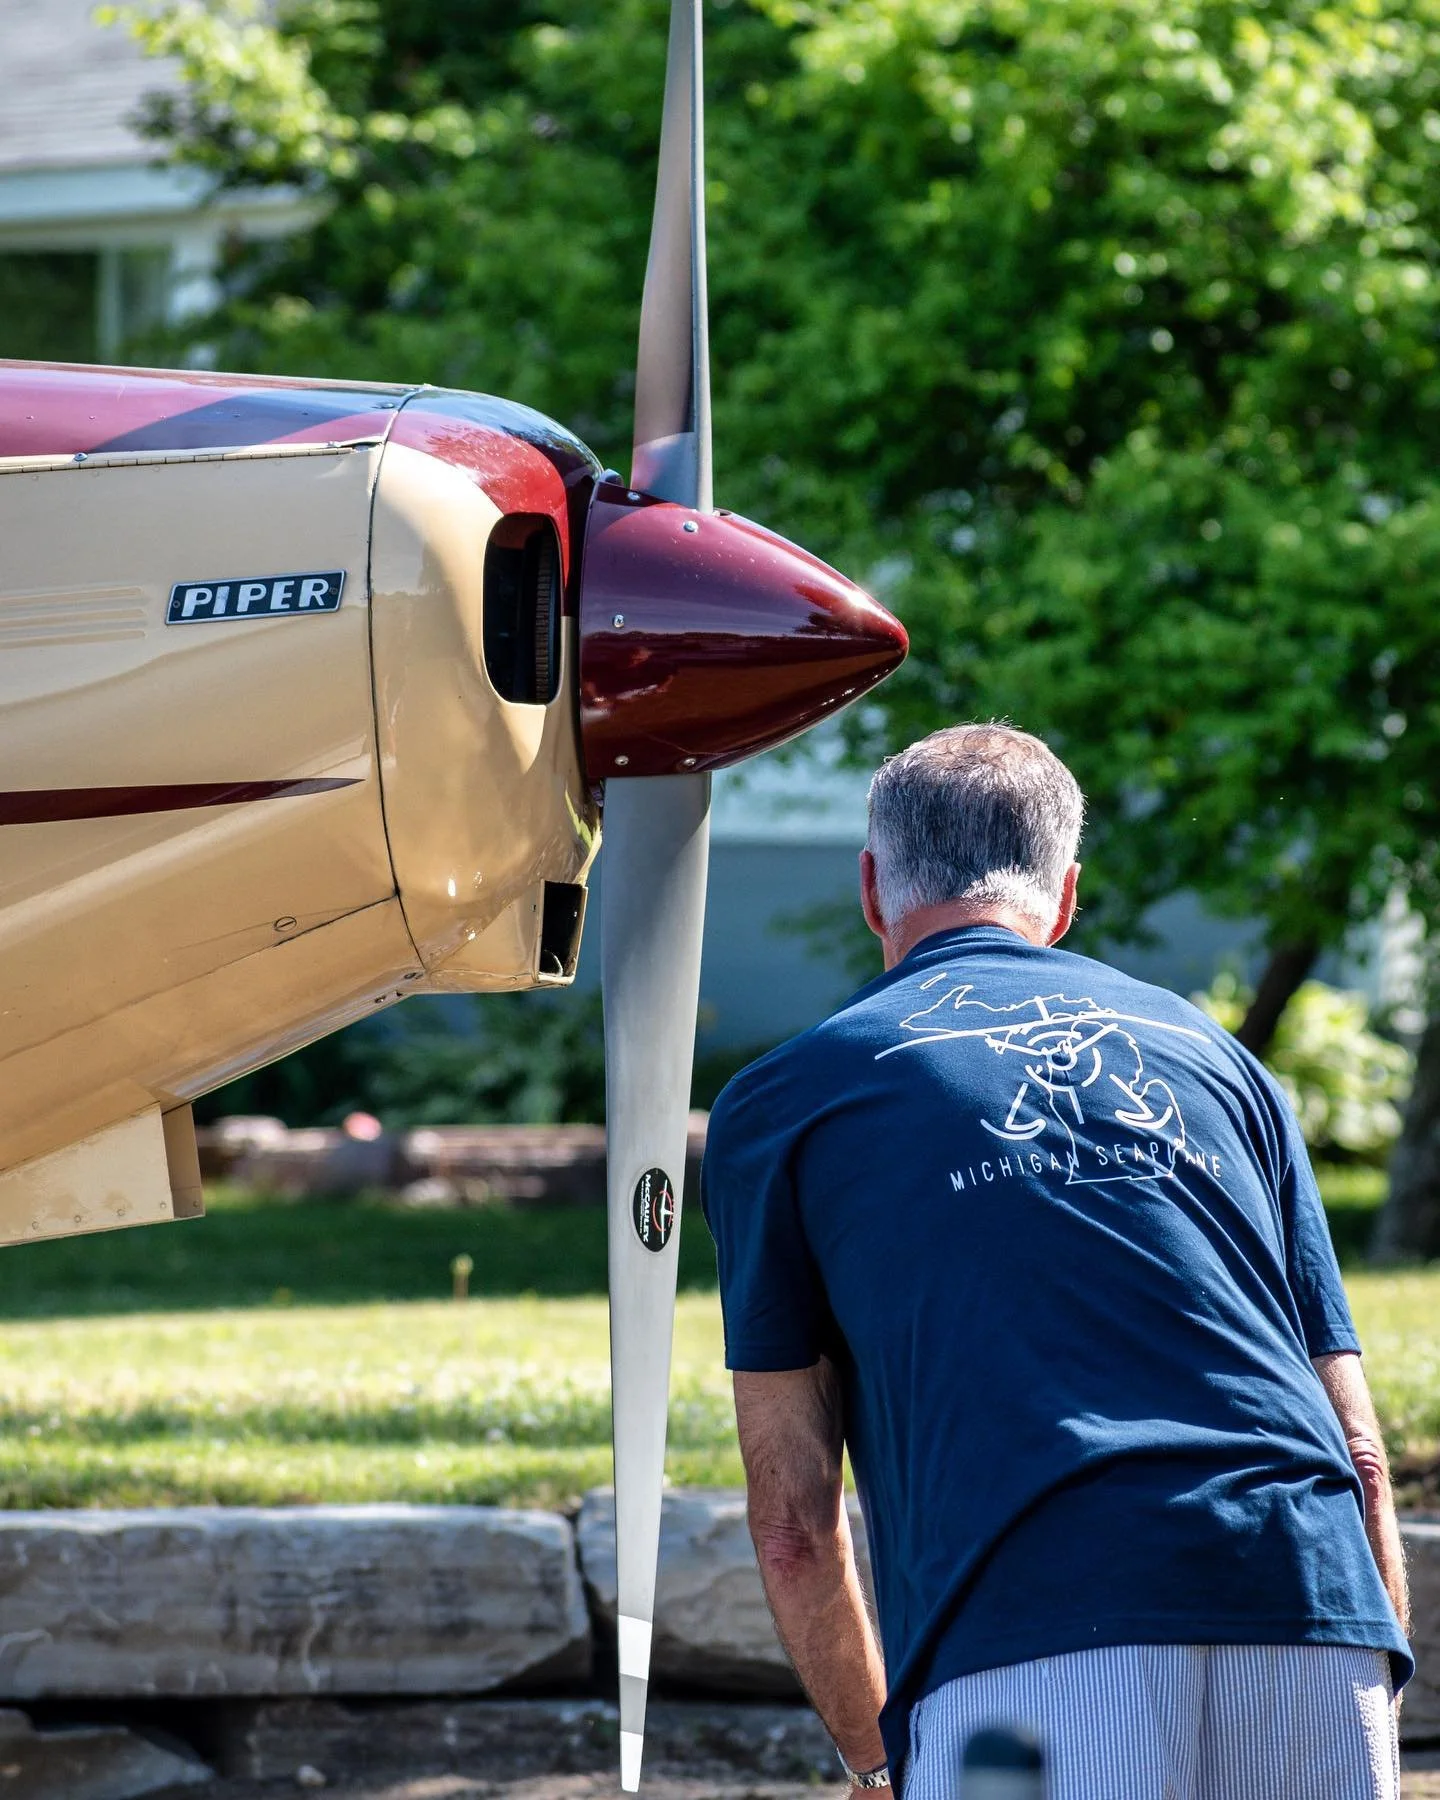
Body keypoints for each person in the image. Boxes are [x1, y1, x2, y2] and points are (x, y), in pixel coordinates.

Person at [700, 723, 1412, 1800]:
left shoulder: (787, 1103)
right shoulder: (1225, 1065)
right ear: (1066, 894)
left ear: (870, 891)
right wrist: (1363, 1683)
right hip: (1312, 1609)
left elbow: (791, 1518)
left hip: (1028, 1639)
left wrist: (873, 1757)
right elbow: (1358, 1453)